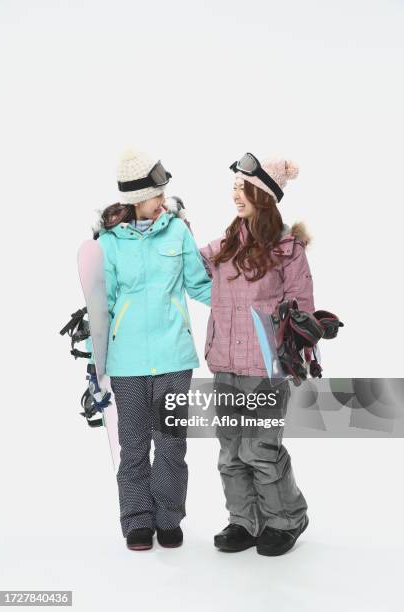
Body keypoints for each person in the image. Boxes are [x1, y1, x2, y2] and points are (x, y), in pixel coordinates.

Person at [87, 148, 212, 551]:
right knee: (135, 443)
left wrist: (244, 298)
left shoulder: (178, 232)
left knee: (172, 442)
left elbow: (199, 284)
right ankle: (138, 519)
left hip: (175, 355)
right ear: (137, 198)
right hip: (127, 363)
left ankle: (169, 516)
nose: (164, 199)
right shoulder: (108, 243)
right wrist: (95, 360)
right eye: (157, 193)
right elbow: (100, 305)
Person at [199, 152, 314, 556]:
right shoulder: (226, 243)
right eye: (232, 188)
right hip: (225, 362)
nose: (234, 195)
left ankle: (286, 519)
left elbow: (301, 305)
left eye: (241, 188)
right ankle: (244, 521)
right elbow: (191, 266)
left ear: (262, 194)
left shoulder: (286, 249)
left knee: (259, 449)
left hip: (265, 367)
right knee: (230, 448)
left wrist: (300, 348)